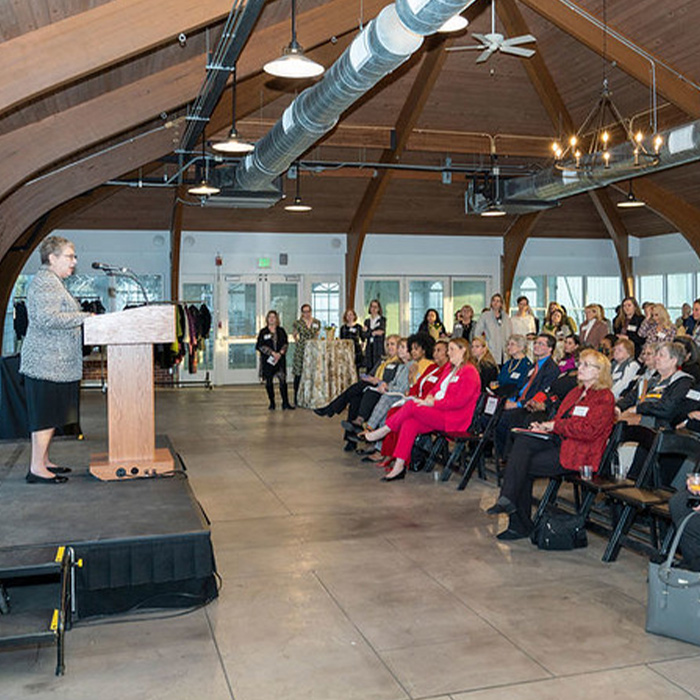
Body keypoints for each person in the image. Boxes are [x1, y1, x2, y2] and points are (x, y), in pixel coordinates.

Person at [486, 349, 616, 540]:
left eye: (586, 365)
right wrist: (544, 427)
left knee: (520, 465)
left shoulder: (604, 397)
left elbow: (588, 430)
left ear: (599, 372)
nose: (580, 368)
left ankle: (515, 518)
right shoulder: (575, 392)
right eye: (580, 363)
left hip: (580, 452)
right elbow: (560, 419)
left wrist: (554, 426)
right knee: (522, 440)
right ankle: (508, 501)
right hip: (559, 441)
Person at [20, 236, 92, 484]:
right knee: (44, 416)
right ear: (52, 258)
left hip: (53, 363)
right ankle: (37, 469)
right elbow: (47, 318)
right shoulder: (46, 282)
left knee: (49, 416)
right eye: (69, 256)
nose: (74, 261)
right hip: (46, 363)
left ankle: (44, 461)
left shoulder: (53, 281)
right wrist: (84, 317)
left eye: (74, 256)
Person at [362, 337, 481, 482]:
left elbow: (459, 402)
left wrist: (433, 403)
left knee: (411, 406)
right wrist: (428, 398)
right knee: (409, 424)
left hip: (453, 418)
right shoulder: (450, 368)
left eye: (451, 349)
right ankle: (399, 467)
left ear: (463, 351)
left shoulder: (469, 372)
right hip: (439, 411)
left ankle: (384, 430)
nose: (448, 353)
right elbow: (436, 388)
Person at [494, 333, 560, 457]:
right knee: (494, 414)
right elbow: (522, 388)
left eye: (541, 344)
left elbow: (542, 393)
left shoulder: (551, 369)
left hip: (532, 407)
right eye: (535, 343)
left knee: (506, 418)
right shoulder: (535, 366)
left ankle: (508, 457)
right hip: (519, 400)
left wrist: (517, 404)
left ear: (550, 349)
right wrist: (511, 400)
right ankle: (499, 455)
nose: (536, 346)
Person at [618, 341, 694, 429]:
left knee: (620, 425)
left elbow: (667, 408)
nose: (656, 358)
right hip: (637, 420)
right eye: (656, 354)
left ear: (673, 361)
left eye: (661, 355)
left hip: (657, 426)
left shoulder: (682, 381)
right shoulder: (652, 380)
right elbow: (632, 397)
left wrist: (638, 409)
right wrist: (618, 407)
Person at [256, 310, 293, 411]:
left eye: (274, 317)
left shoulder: (281, 331)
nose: (272, 319)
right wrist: (272, 353)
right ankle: (272, 403)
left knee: (283, 381)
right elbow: (259, 346)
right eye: (270, 317)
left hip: (280, 361)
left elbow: (285, 343)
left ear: (277, 319)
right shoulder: (263, 332)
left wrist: (280, 353)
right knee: (269, 382)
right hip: (268, 361)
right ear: (267, 319)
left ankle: (285, 403)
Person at [291, 303, 321, 405]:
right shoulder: (298, 323)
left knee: (312, 373)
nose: (307, 314)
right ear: (302, 313)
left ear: (311, 312)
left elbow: (316, 335)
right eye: (304, 312)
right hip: (301, 349)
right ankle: (296, 397)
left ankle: (310, 397)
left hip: (312, 349)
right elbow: (294, 335)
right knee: (298, 373)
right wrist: (298, 342)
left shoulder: (316, 322)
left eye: (308, 311)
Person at [474, 293, 512, 364]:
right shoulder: (485, 316)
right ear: (491, 303)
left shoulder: (506, 317)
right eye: (494, 300)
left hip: (504, 350)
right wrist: (484, 344)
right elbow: (477, 332)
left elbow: (509, 333)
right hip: (490, 349)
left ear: (501, 304)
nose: (495, 303)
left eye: (498, 301)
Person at [363, 299, 386, 371]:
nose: (373, 309)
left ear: (378, 309)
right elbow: (365, 335)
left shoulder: (382, 320)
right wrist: (373, 332)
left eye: (375, 307)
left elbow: (381, 332)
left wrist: (368, 331)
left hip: (378, 347)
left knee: (377, 367)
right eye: (372, 307)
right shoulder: (367, 321)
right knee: (369, 367)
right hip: (369, 347)